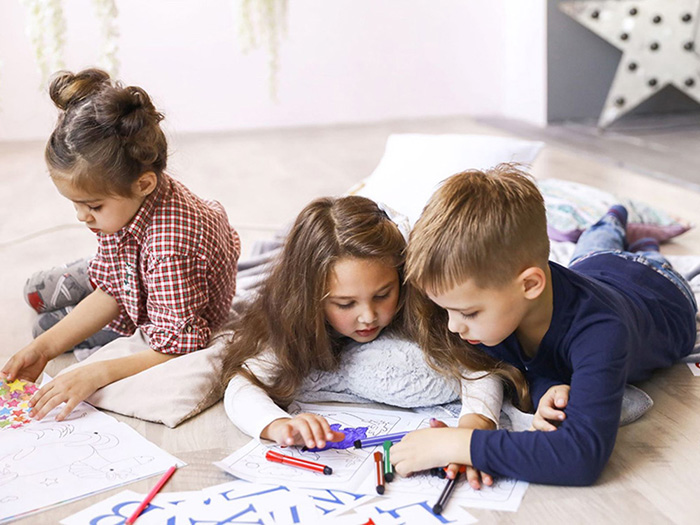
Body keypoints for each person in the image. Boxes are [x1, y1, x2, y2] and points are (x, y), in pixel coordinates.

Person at [391, 164, 697, 486]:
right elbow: (522, 366)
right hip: (591, 269)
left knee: (618, 248)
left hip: (659, 287)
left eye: (468, 313)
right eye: (448, 311)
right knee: (590, 253)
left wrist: (460, 444)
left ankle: (619, 223)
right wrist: (546, 387)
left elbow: (581, 457)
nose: (454, 327)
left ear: (529, 285)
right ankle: (621, 236)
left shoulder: (603, 331)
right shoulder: (502, 306)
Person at [1, 68, 241, 421]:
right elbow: (114, 286)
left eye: (93, 206)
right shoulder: (127, 206)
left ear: (143, 184)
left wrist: (93, 372)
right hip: (132, 272)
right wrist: (44, 349)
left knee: (44, 321)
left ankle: (69, 293)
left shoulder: (170, 250)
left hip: (162, 295)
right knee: (34, 293)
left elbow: (179, 347)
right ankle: (73, 285)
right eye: (76, 205)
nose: (82, 218)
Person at [222, 195, 503, 485]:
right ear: (310, 300)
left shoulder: (423, 308)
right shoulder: (295, 325)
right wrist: (279, 426)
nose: (368, 316)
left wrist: (473, 428)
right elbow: (242, 384)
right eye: (345, 304)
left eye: (383, 295)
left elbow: (480, 367)